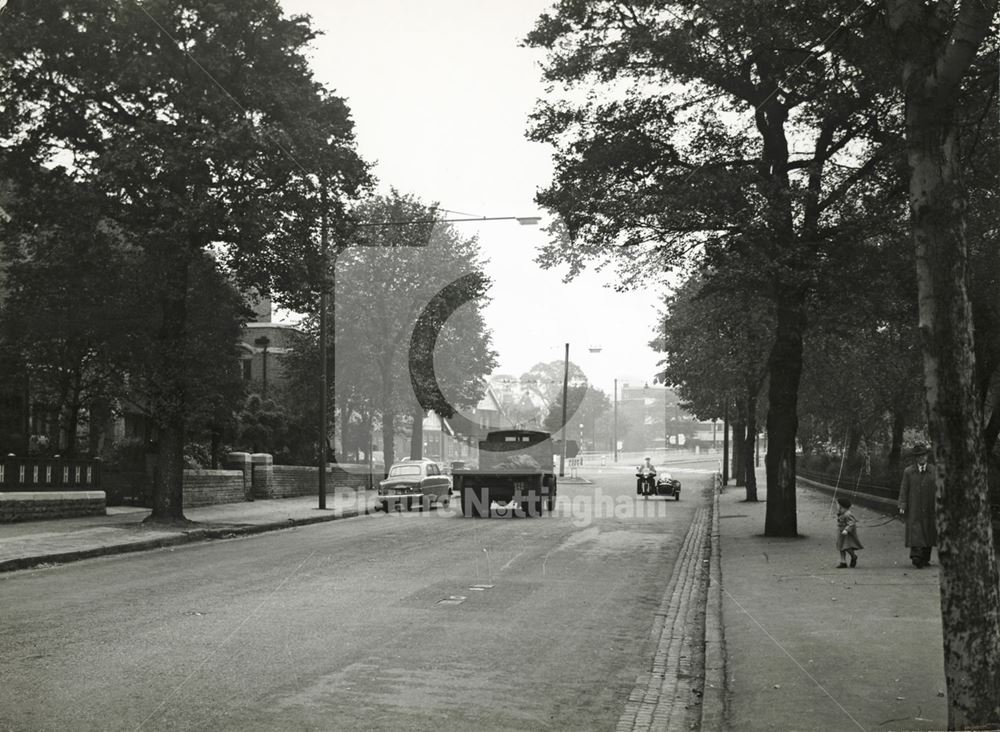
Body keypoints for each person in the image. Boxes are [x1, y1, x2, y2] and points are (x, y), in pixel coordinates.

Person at [898, 443, 937, 568]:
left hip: (930, 507)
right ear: (915, 458)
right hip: (914, 507)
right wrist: (902, 504)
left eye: (924, 455)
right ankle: (916, 557)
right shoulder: (909, 472)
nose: (922, 458)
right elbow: (904, 489)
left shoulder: (934, 471)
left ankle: (925, 558)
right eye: (919, 456)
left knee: (929, 531)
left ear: (927, 456)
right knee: (916, 531)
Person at [835, 498, 863, 568]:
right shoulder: (842, 513)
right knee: (840, 547)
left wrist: (847, 530)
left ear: (842, 506)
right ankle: (843, 562)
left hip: (847, 534)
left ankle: (853, 556)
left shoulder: (848, 514)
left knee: (846, 547)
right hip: (841, 532)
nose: (837, 507)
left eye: (837, 505)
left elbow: (852, 523)